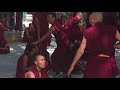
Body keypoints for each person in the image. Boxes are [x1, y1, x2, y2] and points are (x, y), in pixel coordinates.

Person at [67, 12, 120, 78]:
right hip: (108, 65)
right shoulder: (113, 29)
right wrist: (113, 46)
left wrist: (72, 66)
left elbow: (81, 50)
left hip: (93, 65)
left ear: (92, 20)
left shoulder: (87, 31)